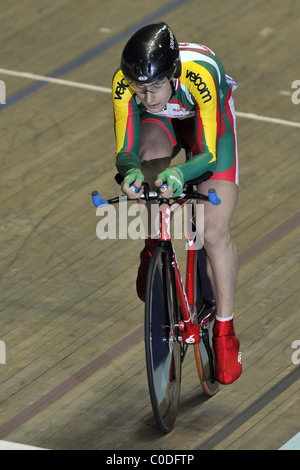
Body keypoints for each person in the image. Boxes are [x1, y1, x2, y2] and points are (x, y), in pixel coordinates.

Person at [112, 22, 241, 384]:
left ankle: (226, 333)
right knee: (149, 169)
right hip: (161, 126)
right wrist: (132, 173)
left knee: (214, 233)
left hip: (207, 124)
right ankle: (154, 243)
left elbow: (211, 155)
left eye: (155, 86)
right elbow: (124, 151)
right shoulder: (127, 85)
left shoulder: (201, 73)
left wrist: (182, 174)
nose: (147, 97)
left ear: (173, 75)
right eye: (139, 89)